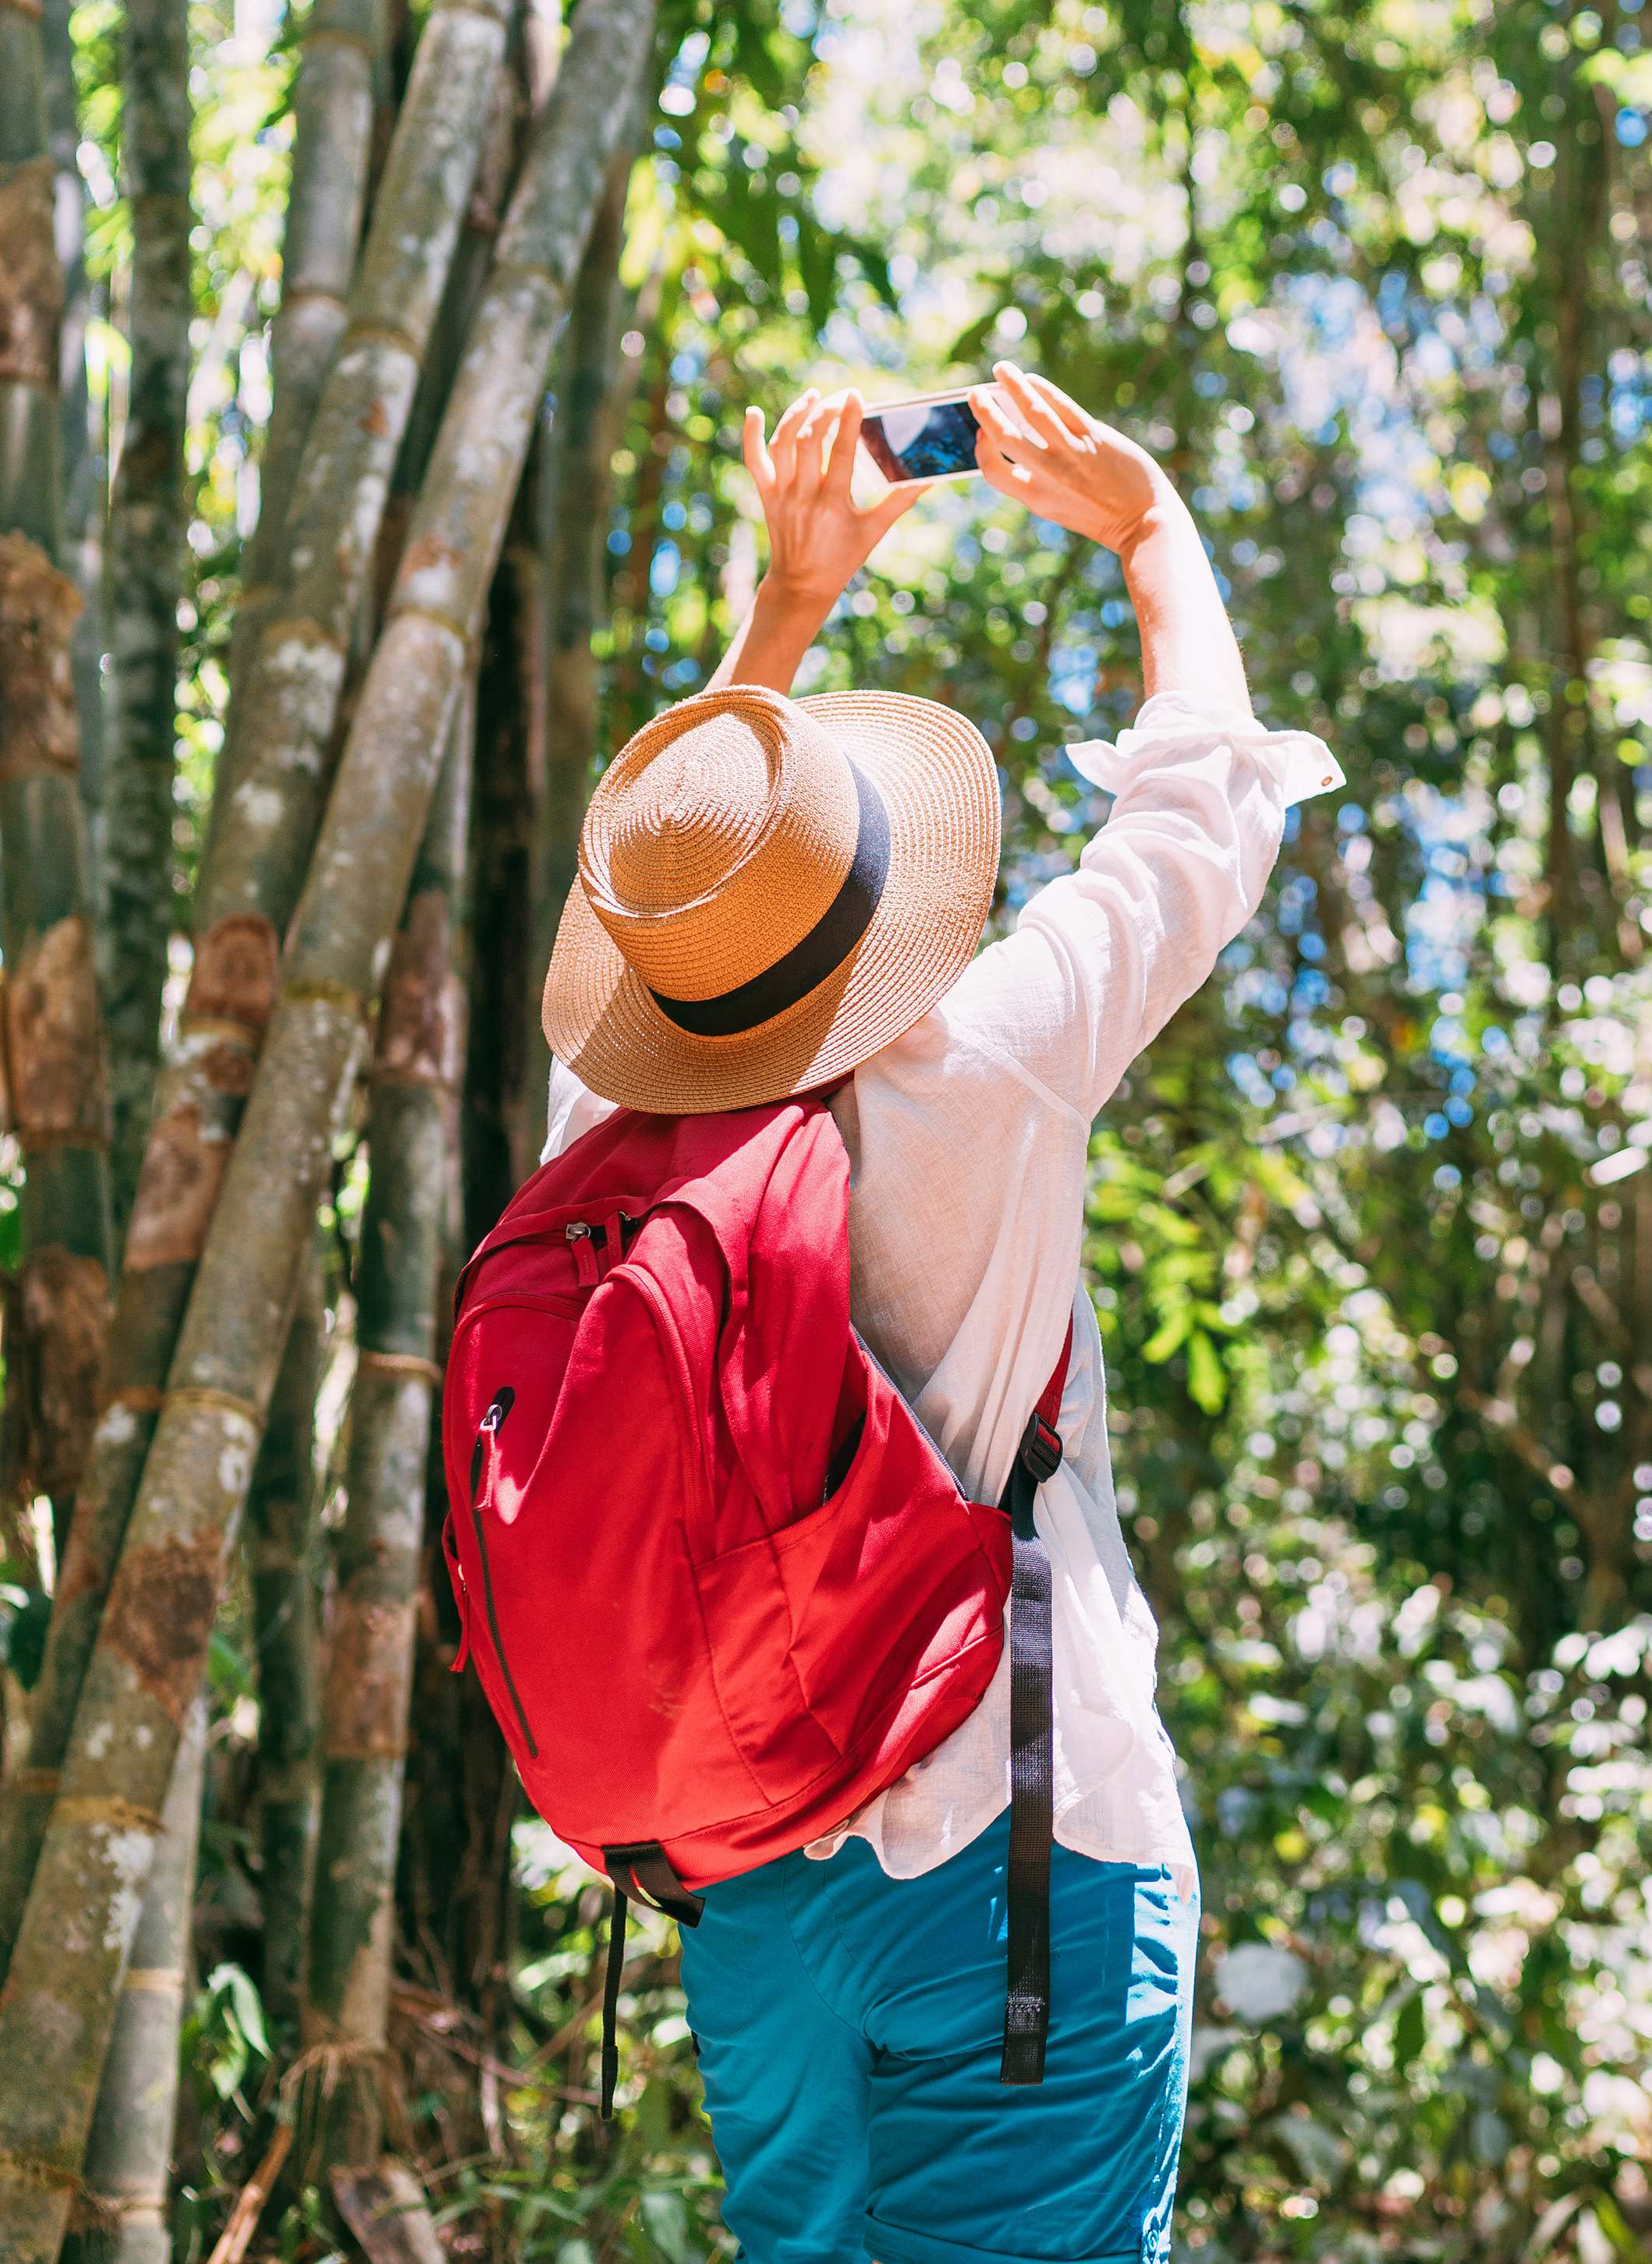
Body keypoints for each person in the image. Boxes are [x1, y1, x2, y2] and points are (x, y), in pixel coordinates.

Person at [536, 365, 1338, 2264]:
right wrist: (1152, 533)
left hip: (744, 1893)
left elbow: (691, 865)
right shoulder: (986, 1069)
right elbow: (1204, 811)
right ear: (889, 895)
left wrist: (785, 605)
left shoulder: (599, 1134)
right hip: (1015, 1864)